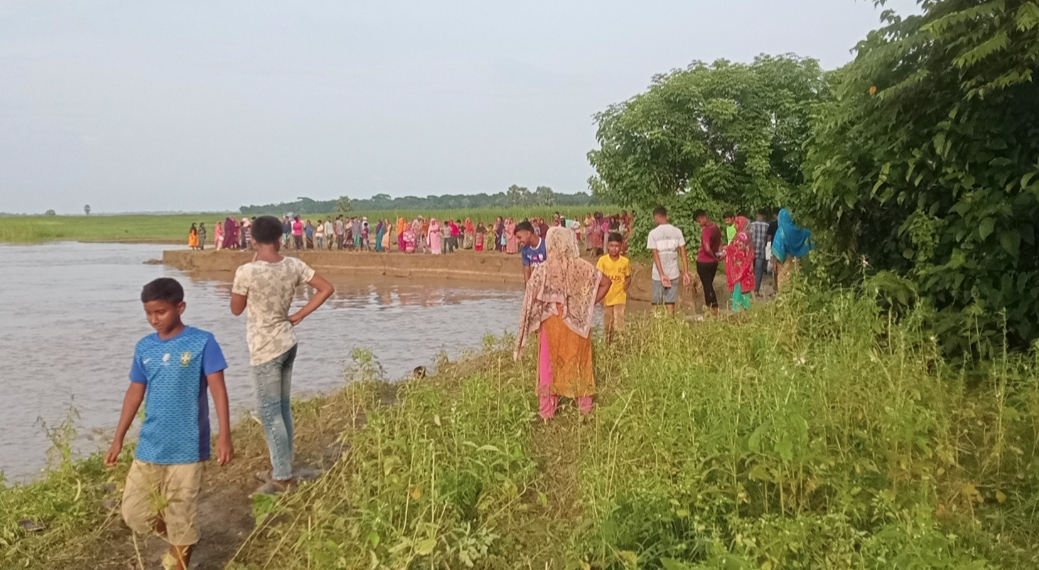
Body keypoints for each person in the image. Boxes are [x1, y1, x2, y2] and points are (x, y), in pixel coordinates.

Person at [105, 278, 233, 570]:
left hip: (188, 446)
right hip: (150, 445)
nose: (154, 319)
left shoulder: (202, 341)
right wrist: (118, 438)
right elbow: (135, 391)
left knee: (180, 511)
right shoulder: (144, 347)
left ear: (180, 307)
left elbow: (218, 390)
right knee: (135, 513)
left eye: (160, 312)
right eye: (149, 313)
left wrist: (224, 435)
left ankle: (179, 556)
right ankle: (182, 537)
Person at [230, 216, 335, 495]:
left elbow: (236, 309)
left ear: (253, 239)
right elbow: (326, 288)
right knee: (283, 407)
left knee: (269, 412)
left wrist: (251, 268)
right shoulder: (293, 265)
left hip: (264, 348)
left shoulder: (247, 272)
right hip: (288, 340)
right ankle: (283, 464)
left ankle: (282, 475)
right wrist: (299, 313)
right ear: (281, 237)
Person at [515, 227, 612, 419]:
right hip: (576, 322)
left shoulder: (543, 269)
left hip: (551, 323)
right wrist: (586, 305)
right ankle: (585, 410)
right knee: (580, 363)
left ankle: (547, 412)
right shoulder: (581, 266)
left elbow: (530, 297)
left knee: (548, 366)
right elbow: (606, 283)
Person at [647, 206, 692, 314]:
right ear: (666, 216)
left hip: (658, 275)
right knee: (670, 302)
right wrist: (686, 273)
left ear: (657, 218)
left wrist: (662, 274)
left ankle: (658, 327)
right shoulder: (677, 231)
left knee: (656, 303)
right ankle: (671, 325)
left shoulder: (653, 233)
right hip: (673, 272)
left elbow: (656, 255)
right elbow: (683, 253)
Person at [597, 232, 632, 343]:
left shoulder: (625, 262)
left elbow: (628, 277)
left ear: (621, 246)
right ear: (607, 246)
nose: (614, 249)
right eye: (611, 246)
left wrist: (626, 284)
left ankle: (620, 345)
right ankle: (608, 344)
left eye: (617, 246)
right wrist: (599, 295)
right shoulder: (602, 261)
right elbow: (597, 277)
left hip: (619, 296)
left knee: (619, 321)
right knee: (608, 324)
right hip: (606, 297)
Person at [771, 208, 814, 293]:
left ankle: (784, 298)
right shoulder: (799, 230)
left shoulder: (781, 231)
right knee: (794, 279)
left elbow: (777, 249)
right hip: (796, 259)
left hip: (784, 261)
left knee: (784, 282)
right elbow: (810, 236)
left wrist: (774, 262)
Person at [694, 210, 723, 315]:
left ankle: (713, 308)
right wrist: (718, 255)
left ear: (705, 217)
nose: (699, 223)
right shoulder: (716, 227)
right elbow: (720, 243)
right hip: (713, 263)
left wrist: (713, 256)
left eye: (700, 220)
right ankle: (712, 309)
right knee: (709, 285)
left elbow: (706, 248)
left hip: (703, 262)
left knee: (707, 286)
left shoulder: (706, 230)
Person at [724, 216, 755, 312]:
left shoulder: (742, 235)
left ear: (741, 224)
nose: (735, 226)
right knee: (745, 289)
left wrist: (726, 249)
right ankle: (748, 309)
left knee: (738, 288)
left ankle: (737, 310)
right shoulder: (748, 234)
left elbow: (738, 250)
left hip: (740, 269)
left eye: (737, 223)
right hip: (747, 268)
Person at [749, 209, 771, 295]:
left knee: (750, 270)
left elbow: (748, 237)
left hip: (751, 251)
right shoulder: (767, 226)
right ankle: (756, 290)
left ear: (757, 214)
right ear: (764, 216)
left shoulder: (752, 225)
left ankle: (748, 288)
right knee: (759, 271)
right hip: (761, 252)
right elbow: (768, 238)